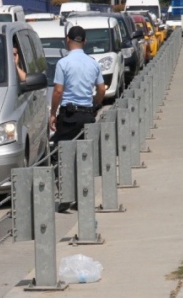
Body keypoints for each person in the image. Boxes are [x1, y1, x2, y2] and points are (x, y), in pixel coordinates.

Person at [49, 26, 106, 212]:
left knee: (59, 154)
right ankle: (83, 197)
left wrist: (53, 113)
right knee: (84, 156)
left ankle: (66, 196)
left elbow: (58, 91)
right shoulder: (93, 63)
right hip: (87, 115)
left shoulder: (63, 63)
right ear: (85, 42)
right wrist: (94, 105)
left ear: (67, 40)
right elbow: (102, 90)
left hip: (69, 116)